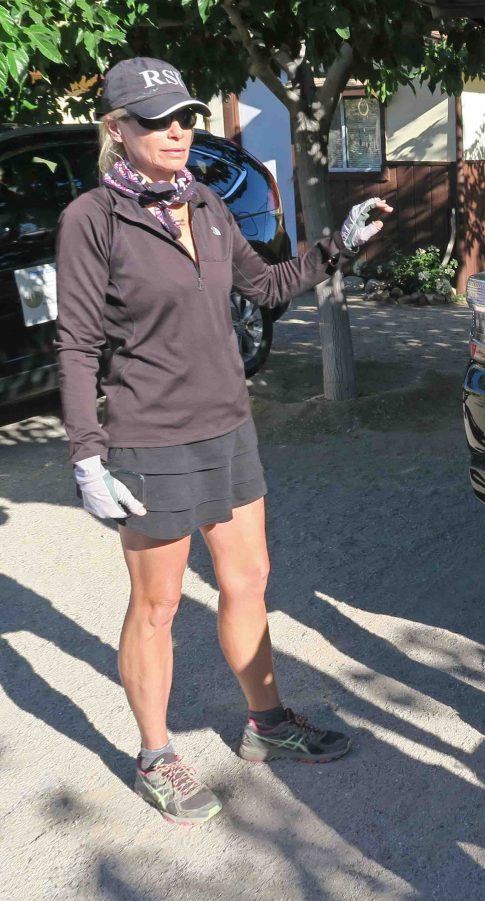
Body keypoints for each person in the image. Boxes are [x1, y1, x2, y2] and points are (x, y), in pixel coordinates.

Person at [54, 57, 391, 826]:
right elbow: (75, 346)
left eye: (185, 117)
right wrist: (86, 454)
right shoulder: (92, 220)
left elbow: (263, 286)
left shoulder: (204, 202)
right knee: (159, 603)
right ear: (117, 129)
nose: (177, 131)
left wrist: (334, 248)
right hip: (151, 438)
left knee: (249, 578)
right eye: (157, 120)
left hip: (229, 426)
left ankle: (266, 724)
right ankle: (155, 754)